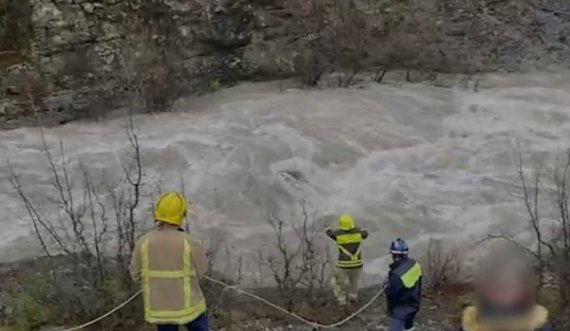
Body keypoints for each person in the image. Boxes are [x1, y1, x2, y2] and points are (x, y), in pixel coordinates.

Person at [129, 192, 209, 331]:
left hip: (160, 311)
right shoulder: (189, 242)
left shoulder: (143, 242)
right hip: (191, 308)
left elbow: (135, 274)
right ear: (182, 215)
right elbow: (202, 272)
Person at [455, 244, 554, 331]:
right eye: (493, 283)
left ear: (523, 288)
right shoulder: (470, 323)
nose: (499, 292)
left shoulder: (538, 325)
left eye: (507, 285)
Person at [326, 214, 369, 305]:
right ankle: (353, 297)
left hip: (343, 264)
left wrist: (327, 228)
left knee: (336, 281)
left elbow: (330, 233)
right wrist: (362, 228)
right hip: (357, 264)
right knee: (354, 282)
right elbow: (365, 234)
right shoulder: (359, 233)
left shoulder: (337, 235)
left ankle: (341, 300)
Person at [385, 238, 422, 331]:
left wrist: (386, 286)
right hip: (414, 304)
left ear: (394, 255)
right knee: (409, 326)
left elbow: (391, 293)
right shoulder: (415, 264)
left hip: (400, 310)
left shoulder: (397, 275)